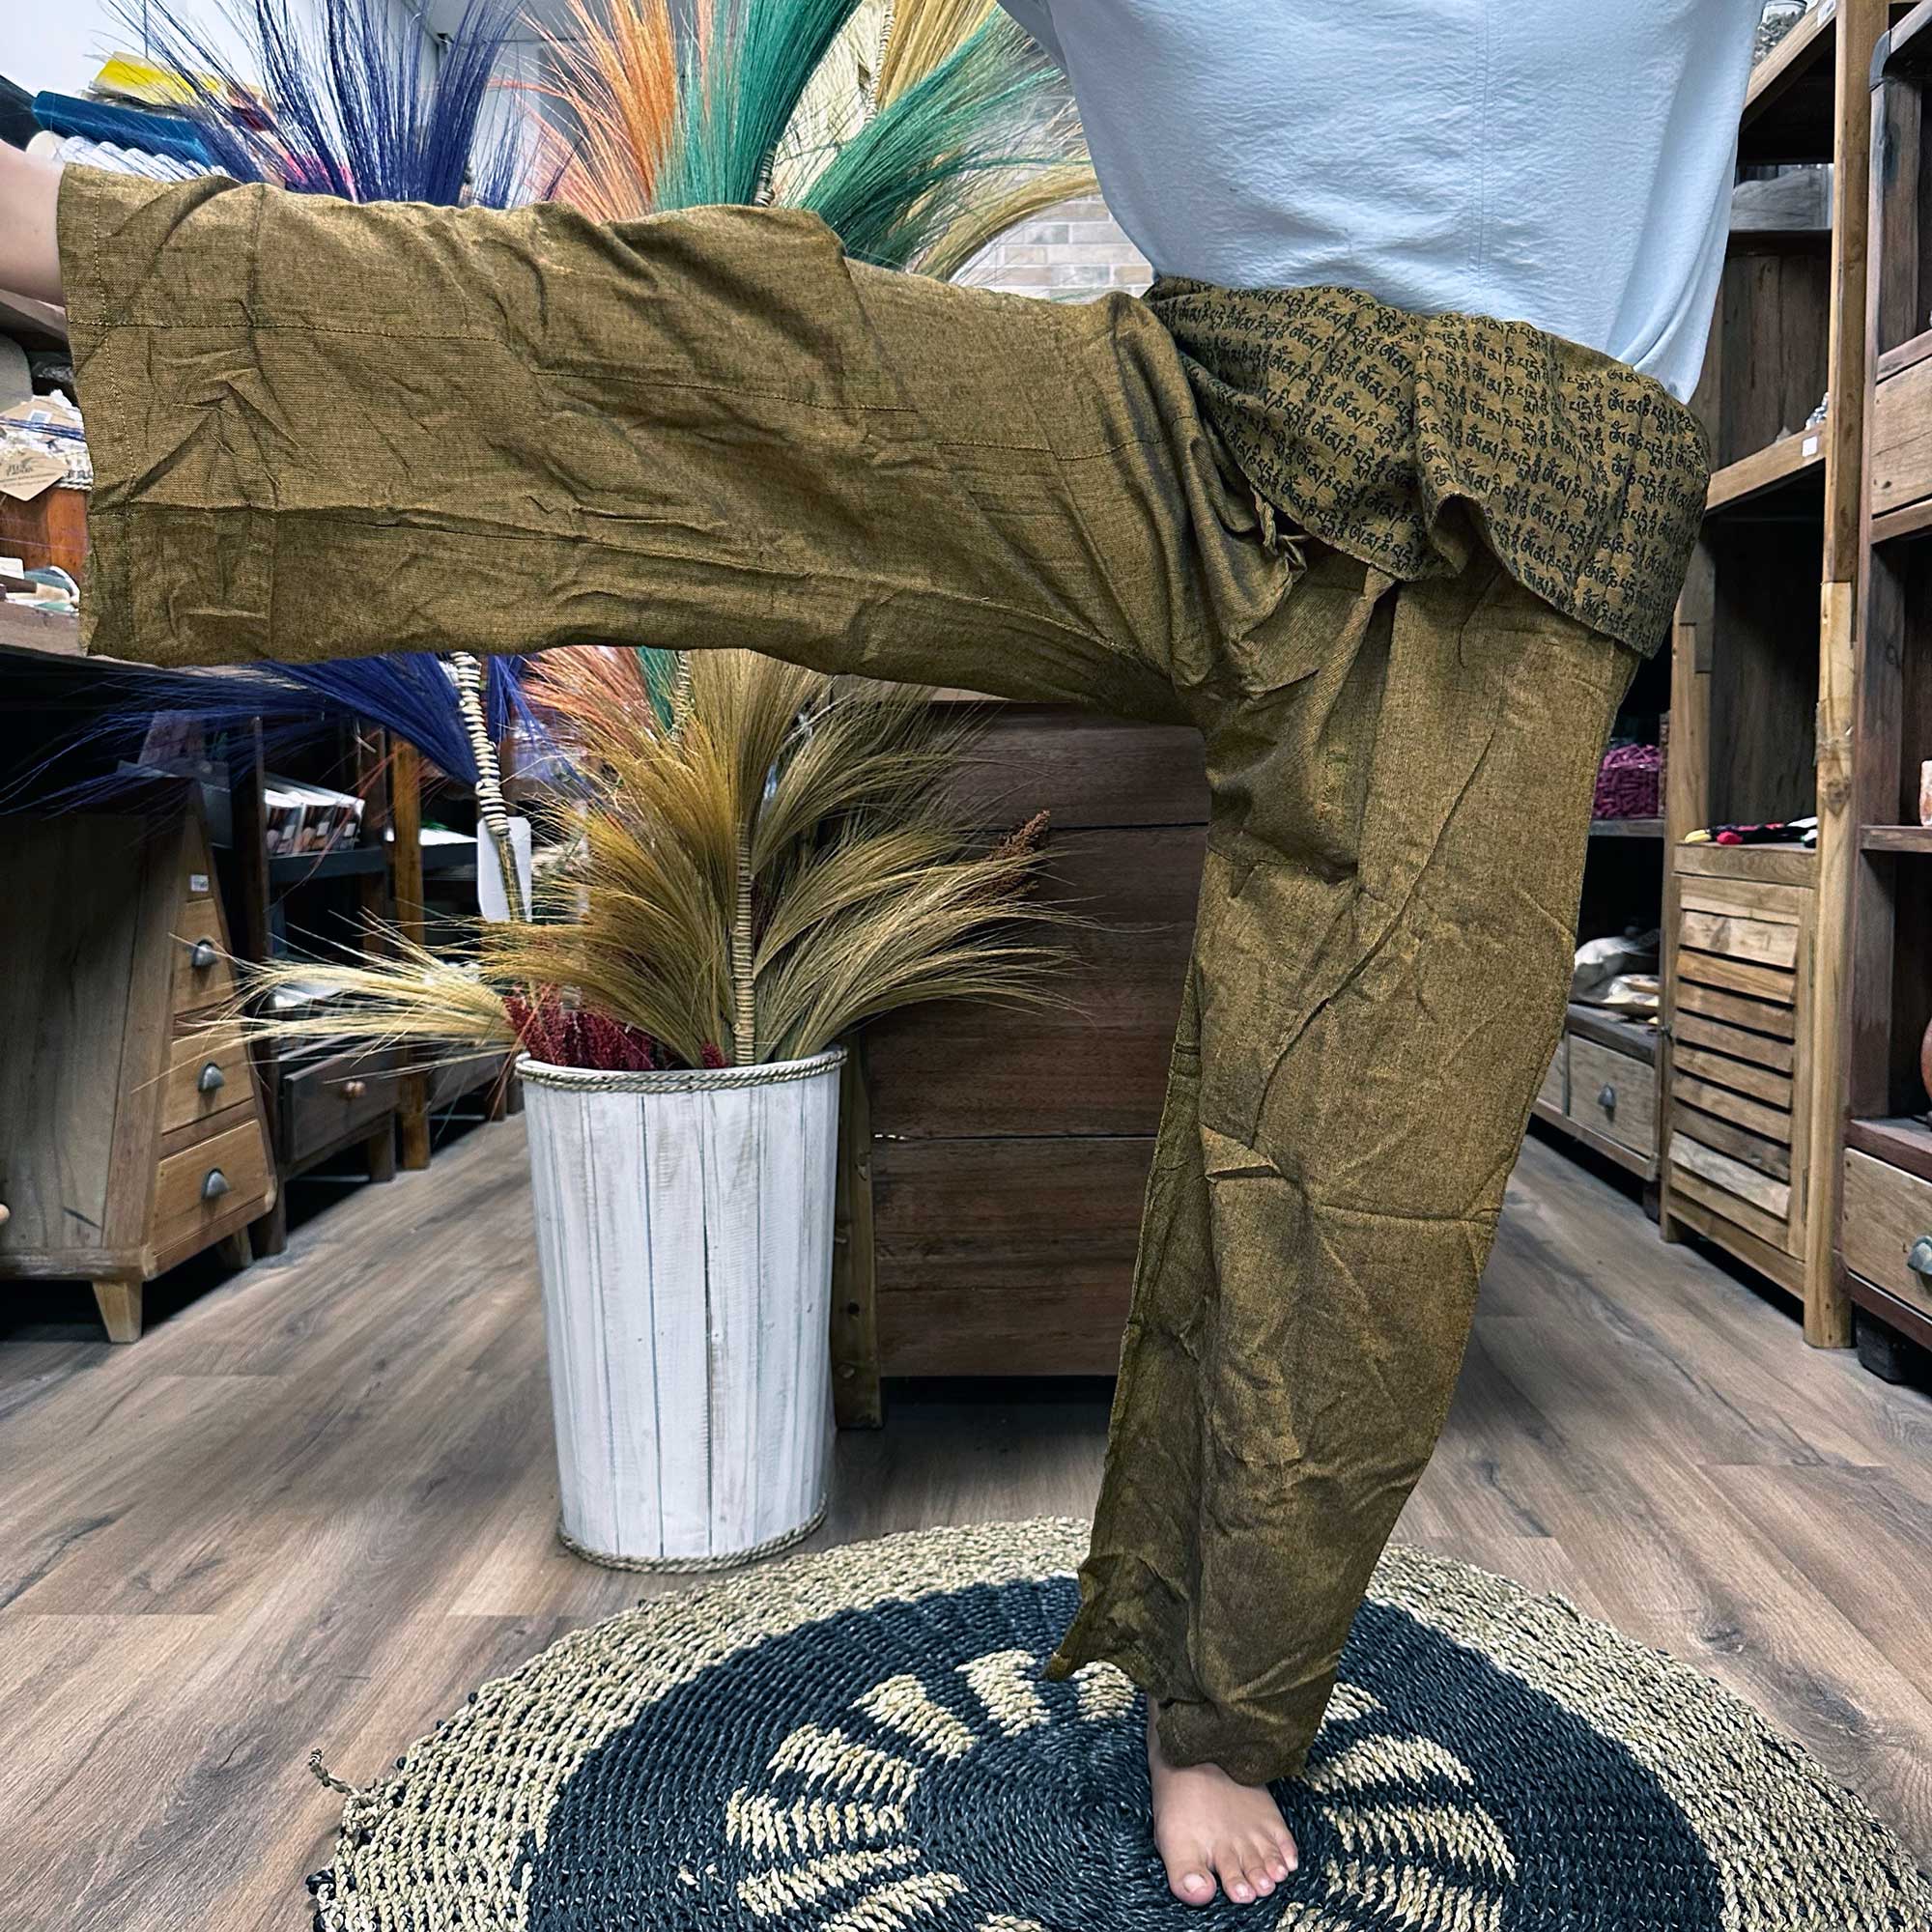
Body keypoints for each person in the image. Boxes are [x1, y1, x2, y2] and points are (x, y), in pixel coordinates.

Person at [0, 0, 1763, 1908]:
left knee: (1365, 1165)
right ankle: (66, 240)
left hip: (1523, 521)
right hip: (1207, 418)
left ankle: (1221, 1707)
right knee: (709, 356)